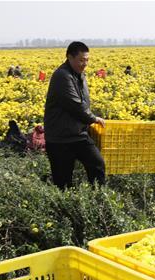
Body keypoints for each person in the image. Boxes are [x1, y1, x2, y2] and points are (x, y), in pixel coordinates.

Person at [43, 41, 106, 189]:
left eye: (87, 60)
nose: (84, 64)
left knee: (97, 165)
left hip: (78, 135)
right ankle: (65, 208)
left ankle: (98, 200)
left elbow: (83, 102)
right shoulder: (62, 76)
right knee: (63, 182)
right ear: (69, 57)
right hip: (60, 139)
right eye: (81, 60)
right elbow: (75, 104)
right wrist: (93, 118)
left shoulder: (79, 75)